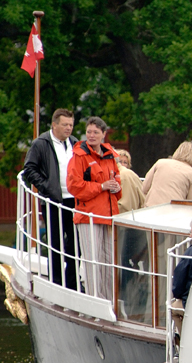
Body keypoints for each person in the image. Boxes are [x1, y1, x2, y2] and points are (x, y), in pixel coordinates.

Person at [22, 108, 79, 290]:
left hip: (74, 200)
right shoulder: (41, 143)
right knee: (55, 242)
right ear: (54, 125)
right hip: (53, 200)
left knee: (75, 243)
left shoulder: (75, 143)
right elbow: (29, 169)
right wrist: (46, 187)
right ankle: (56, 282)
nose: (68, 128)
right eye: (65, 125)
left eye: (71, 125)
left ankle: (72, 282)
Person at [66, 116, 121, 300]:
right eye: (89, 132)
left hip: (108, 216)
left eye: (95, 132)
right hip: (88, 216)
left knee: (108, 261)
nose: (91, 135)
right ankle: (94, 301)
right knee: (92, 262)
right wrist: (102, 186)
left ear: (103, 134)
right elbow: (74, 187)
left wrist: (117, 187)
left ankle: (109, 302)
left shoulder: (110, 156)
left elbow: (117, 179)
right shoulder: (79, 156)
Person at [142, 141, 192, 207]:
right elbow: (191, 203)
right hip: (174, 209)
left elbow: (144, 188)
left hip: (151, 208)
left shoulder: (160, 163)